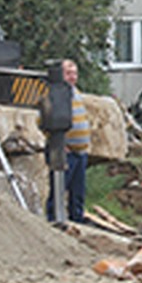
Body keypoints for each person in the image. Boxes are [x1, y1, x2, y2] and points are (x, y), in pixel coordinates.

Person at [46, 58, 89, 224]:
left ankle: (77, 218)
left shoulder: (75, 92)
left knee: (78, 190)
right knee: (59, 188)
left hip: (80, 151)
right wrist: (56, 142)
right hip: (66, 150)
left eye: (75, 73)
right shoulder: (55, 93)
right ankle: (54, 218)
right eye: (68, 73)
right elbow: (43, 120)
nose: (73, 77)